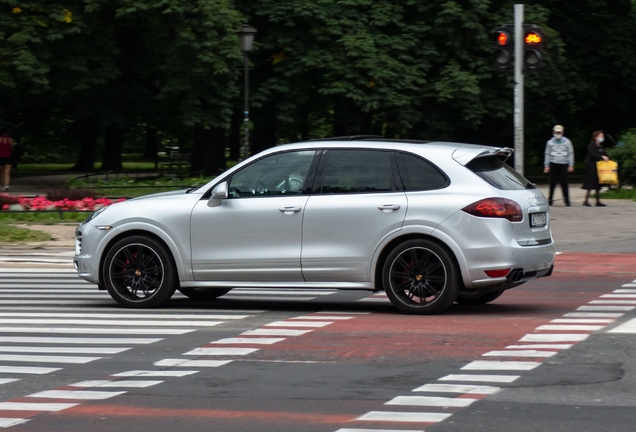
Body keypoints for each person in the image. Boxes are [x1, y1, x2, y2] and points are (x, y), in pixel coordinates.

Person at [543, 125, 574, 206]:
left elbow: (570, 153)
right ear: (553, 133)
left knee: (564, 182)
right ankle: (550, 200)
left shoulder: (567, 142)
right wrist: (546, 165)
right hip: (553, 163)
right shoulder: (549, 142)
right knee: (552, 182)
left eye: (559, 132)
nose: (558, 133)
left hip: (564, 163)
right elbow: (547, 154)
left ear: (562, 133)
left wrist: (571, 165)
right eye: (556, 132)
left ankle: (567, 201)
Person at [582, 130, 610, 207]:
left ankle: (598, 201)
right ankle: (586, 200)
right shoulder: (591, 145)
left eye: (603, 136)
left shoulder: (601, 146)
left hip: (599, 167)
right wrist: (601, 157)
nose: (602, 137)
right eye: (601, 136)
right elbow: (592, 155)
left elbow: (603, 154)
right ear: (595, 137)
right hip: (591, 167)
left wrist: (607, 157)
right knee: (590, 184)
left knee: (598, 184)